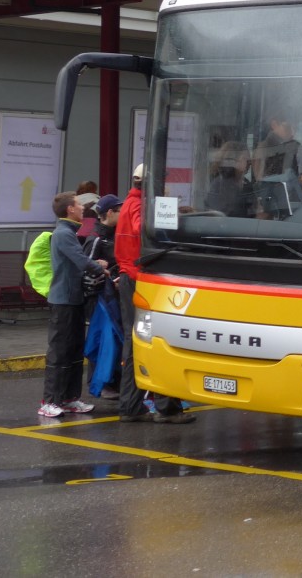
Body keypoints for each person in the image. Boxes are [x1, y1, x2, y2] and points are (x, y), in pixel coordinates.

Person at [115, 164, 195, 425]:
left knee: (135, 340)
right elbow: (146, 230)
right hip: (141, 279)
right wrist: (171, 218)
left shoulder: (130, 201)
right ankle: (165, 407)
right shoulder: (140, 205)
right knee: (157, 340)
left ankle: (131, 405)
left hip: (131, 277)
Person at [38, 191, 108, 418]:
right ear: (69, 209)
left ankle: (69, 398)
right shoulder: (63, 234)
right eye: (78, 204)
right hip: (63, 301)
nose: (81, 208)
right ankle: (49, 401)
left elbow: (78, 259)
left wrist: (94, 263)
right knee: (59, 351)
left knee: (75, 350)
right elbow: (79, 259)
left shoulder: (69, 232)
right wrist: (100, 268)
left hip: (75, 299)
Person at [83, 194, 123, 400]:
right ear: (109, 213)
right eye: (119, 210)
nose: (123, 213)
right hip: (100, 298)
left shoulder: (117, 235)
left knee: (115, 338)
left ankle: (113, 381)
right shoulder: (96, 239)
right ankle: (100, 382)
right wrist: (104, 275)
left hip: (114, 295)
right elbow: (84, 270)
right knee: (103, 339)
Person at [252, 113, 302, 197]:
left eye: (295, 128)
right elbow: (262, 184)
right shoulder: (264, 148)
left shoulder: (293, 147)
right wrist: (297, 181)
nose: (293, 133)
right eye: (288, 127)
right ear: (274, 124)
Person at [206, 140, 256, 217]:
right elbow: (221, 214)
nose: (249, 162)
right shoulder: (219, 185)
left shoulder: (246, 184)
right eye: (245, 158)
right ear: (233, 160)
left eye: (249, 159)